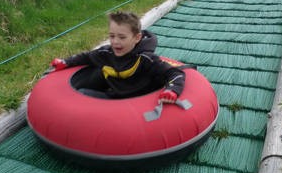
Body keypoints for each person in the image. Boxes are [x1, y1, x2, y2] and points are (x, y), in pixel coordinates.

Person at [50, 11, 185, 104]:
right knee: (82, 94)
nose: (115, 42)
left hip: (140, 102)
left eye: (122, 37)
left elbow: (175, 73)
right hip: (112, 98)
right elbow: (86, 57)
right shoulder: (107, 54)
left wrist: (172, 90)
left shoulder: (146, 59)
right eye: (112, 36)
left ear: (136, 38)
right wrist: (66, 62)